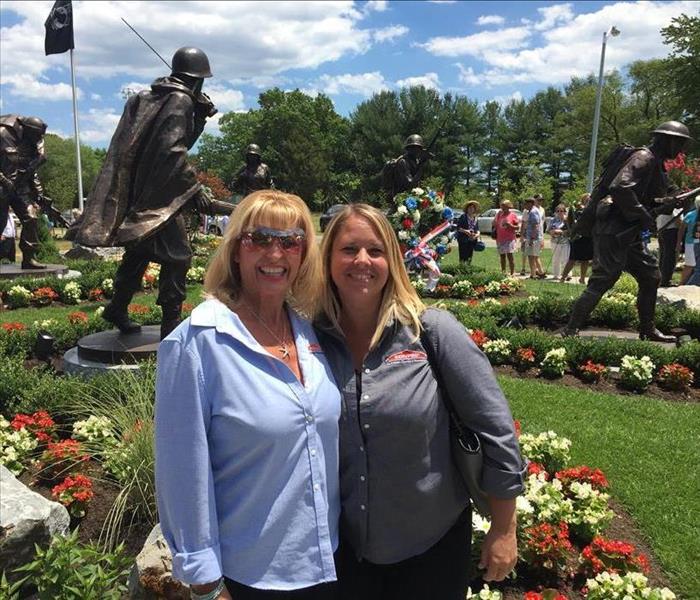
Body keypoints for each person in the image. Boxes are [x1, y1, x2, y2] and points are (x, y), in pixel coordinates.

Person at [314, 204, 525, 600]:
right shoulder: (311, 341)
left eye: (375, 251)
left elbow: (494, 427)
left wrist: (503, 529)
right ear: (327, 260)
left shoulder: (431, 332)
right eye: (349, 249)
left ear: (392, 260)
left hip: (431, 545)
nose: (362, 260)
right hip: (344, 551)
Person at [155, 190, 341, 600]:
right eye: (259, 238)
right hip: (250, 577)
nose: (275, 253)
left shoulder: (313, 332)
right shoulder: (198, 343)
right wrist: (206, 584)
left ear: (304, 253)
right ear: (236, 249)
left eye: (290, 240)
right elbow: (182, 472)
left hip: (328, 563)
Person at [70, 47, 220, 339]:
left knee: (138, 252)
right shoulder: (179, 100)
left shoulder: (151, 96)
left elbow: (174, 142)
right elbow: (172, 151)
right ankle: (171, 326)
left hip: (140, 192)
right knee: (178, 257)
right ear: (199, 79)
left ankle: (117, 307)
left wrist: (199, 117)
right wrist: (195, 187)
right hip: (159, 199)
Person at [564, 121, 693, 341]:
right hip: (614, 229)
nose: (680, 149)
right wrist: (643, 215)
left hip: (628, 232)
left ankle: (647, 329)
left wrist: (673, 200)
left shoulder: (657, 164)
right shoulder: (644, 158)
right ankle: (571, 329)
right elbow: (620, 187)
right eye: (679, 143)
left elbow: (650, 195)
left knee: (651, 276)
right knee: (604, 279)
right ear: (668, 140)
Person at [0, 114, 52, 269]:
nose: (37, 140)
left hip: (20, 187)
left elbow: (31, 169)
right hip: (2, 186)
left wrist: (39, 192)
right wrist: (4, 181)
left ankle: (29, 259)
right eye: (35, 136)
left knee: (31, 218)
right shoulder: (3, 133)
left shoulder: (32, 142)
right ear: (26, 130)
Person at [383, 134, 431, 201]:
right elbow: (410, 184)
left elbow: (421, 181)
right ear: (408, 149)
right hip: (400, 199)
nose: (417, 150)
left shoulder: (415, 162)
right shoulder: (403, 162)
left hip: (412, 198)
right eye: (414, 147)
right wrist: (421, 167)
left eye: (418, 148)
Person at [560, 193, 593, 284]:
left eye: (590, 199)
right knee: (572, 259)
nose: (589, 200)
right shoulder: (579, 210)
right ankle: (563, 278)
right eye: (587, 199)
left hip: (588, 237)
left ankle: (582, 279)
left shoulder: (592, 209)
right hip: (577, 238)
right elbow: (571, 221)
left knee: (585, 260)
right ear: (582, 200)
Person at [493, 200, 520, 275]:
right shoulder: (499, 214)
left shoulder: (513, 215)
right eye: (502, 206)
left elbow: (517, 227)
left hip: (509, 238)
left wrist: (510, 225)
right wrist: (495, 220)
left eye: (504, 206)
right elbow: (494, 224)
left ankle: (512, 273)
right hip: (500, 238)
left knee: (510, 256)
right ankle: (503, 272)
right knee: (502, 256)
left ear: (508, 207)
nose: (502, 208)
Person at [676, 203, 698, 285]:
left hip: (693, 243)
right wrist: (679, 243)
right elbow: (681, 230)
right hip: (691, 243)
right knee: (689, 266)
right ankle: (682, 285)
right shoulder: (690, 215)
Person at [523, 198, 545, 279]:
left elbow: (535, 226)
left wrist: (532, 239)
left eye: (525, 203)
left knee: (531, 256)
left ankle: (533, 275)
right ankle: (539, 273)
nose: (524, 205)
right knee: (533, 256)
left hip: (533, 238)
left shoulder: (533, 212)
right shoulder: (532, 211)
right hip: (533, 237)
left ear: (530, 204)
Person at [549, 204, 570, 280]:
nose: (559, 212)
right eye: (558, 211)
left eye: (561, 211)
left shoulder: (567, 220)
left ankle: (567, 275)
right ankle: (556, 274)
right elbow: (549, 230)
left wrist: (561, 232)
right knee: (555, 259)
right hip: (555, 241)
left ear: (565, 211)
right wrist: (553, 232)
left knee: (565, 259)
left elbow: (570, 230)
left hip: (565, 242)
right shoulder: (553, 220)